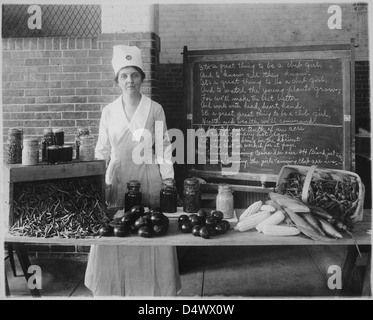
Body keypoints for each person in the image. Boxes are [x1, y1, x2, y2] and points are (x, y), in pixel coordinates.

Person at [84, 45, 181, 297]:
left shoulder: (154, 108)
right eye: (124, 75)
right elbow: (102, 150)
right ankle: (112, 291)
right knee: (115, 231)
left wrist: (168, 179)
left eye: (135, 75)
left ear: (142, 78)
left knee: (150, 230)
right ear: (117, 80)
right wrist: (97, 181)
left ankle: (152, 294)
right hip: (116, 180)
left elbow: (162, 147)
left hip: (147, 178)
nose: (130, 80)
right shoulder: (109, 111)